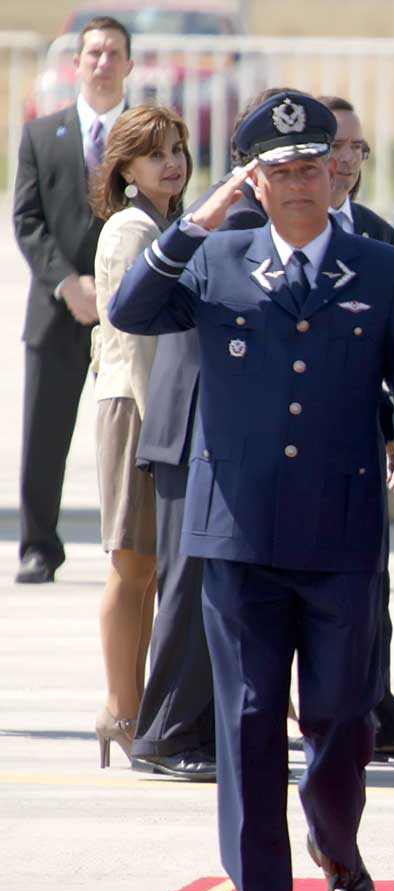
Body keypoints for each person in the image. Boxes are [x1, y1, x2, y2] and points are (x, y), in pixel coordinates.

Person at [107, 92, 394, 891]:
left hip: (341, 527)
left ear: (337, 171)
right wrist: (196, 223)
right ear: (257, 179)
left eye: (314, 168)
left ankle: (334, 840)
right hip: (238, 528)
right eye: (281, 171)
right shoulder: (218, 260)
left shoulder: (378, 268)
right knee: (250, 714)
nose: (300, 185)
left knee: (338, 716)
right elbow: (130, 309)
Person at [127, 88, 291, 779]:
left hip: (202, 430)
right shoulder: (238, 222)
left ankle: (194, 729)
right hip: (195, 428)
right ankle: (164, 732)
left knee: (208, 587)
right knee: (190, 588)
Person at [321, 91, 394, 764]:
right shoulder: (262, 229)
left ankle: (378, 709)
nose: (344, 160)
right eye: (333, 145)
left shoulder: (376, 235)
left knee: (371, 593)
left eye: (355, 148)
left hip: (361, 447)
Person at [87, 104, 192, 770]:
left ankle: (133, 704)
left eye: (177, 149)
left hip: (155, 408)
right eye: (156, 153)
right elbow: (134, 331)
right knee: (132, 564)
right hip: (136, 405)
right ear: (124, 166)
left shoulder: (170, 224)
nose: (172, 162)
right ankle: (121, 709)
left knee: (150, 568)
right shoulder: (132, 227)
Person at [12, 15, 133, 584]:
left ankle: (134, 545)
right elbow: (27, 219)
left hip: (129, 315)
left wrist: (113, 291)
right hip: (58, 311)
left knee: (133, 435)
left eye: (114, 54)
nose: (103, 63)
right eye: (94, 53)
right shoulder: (42, 135)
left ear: (129, 66)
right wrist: (68, 284)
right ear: (77, 64)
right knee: (45, 436)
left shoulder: (146, 136)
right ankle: (39, 545)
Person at [321, 94, 394, 243]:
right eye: (335, 146)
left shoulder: (380, 232)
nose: (348, 158)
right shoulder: (280, 226)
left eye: (356, 147)